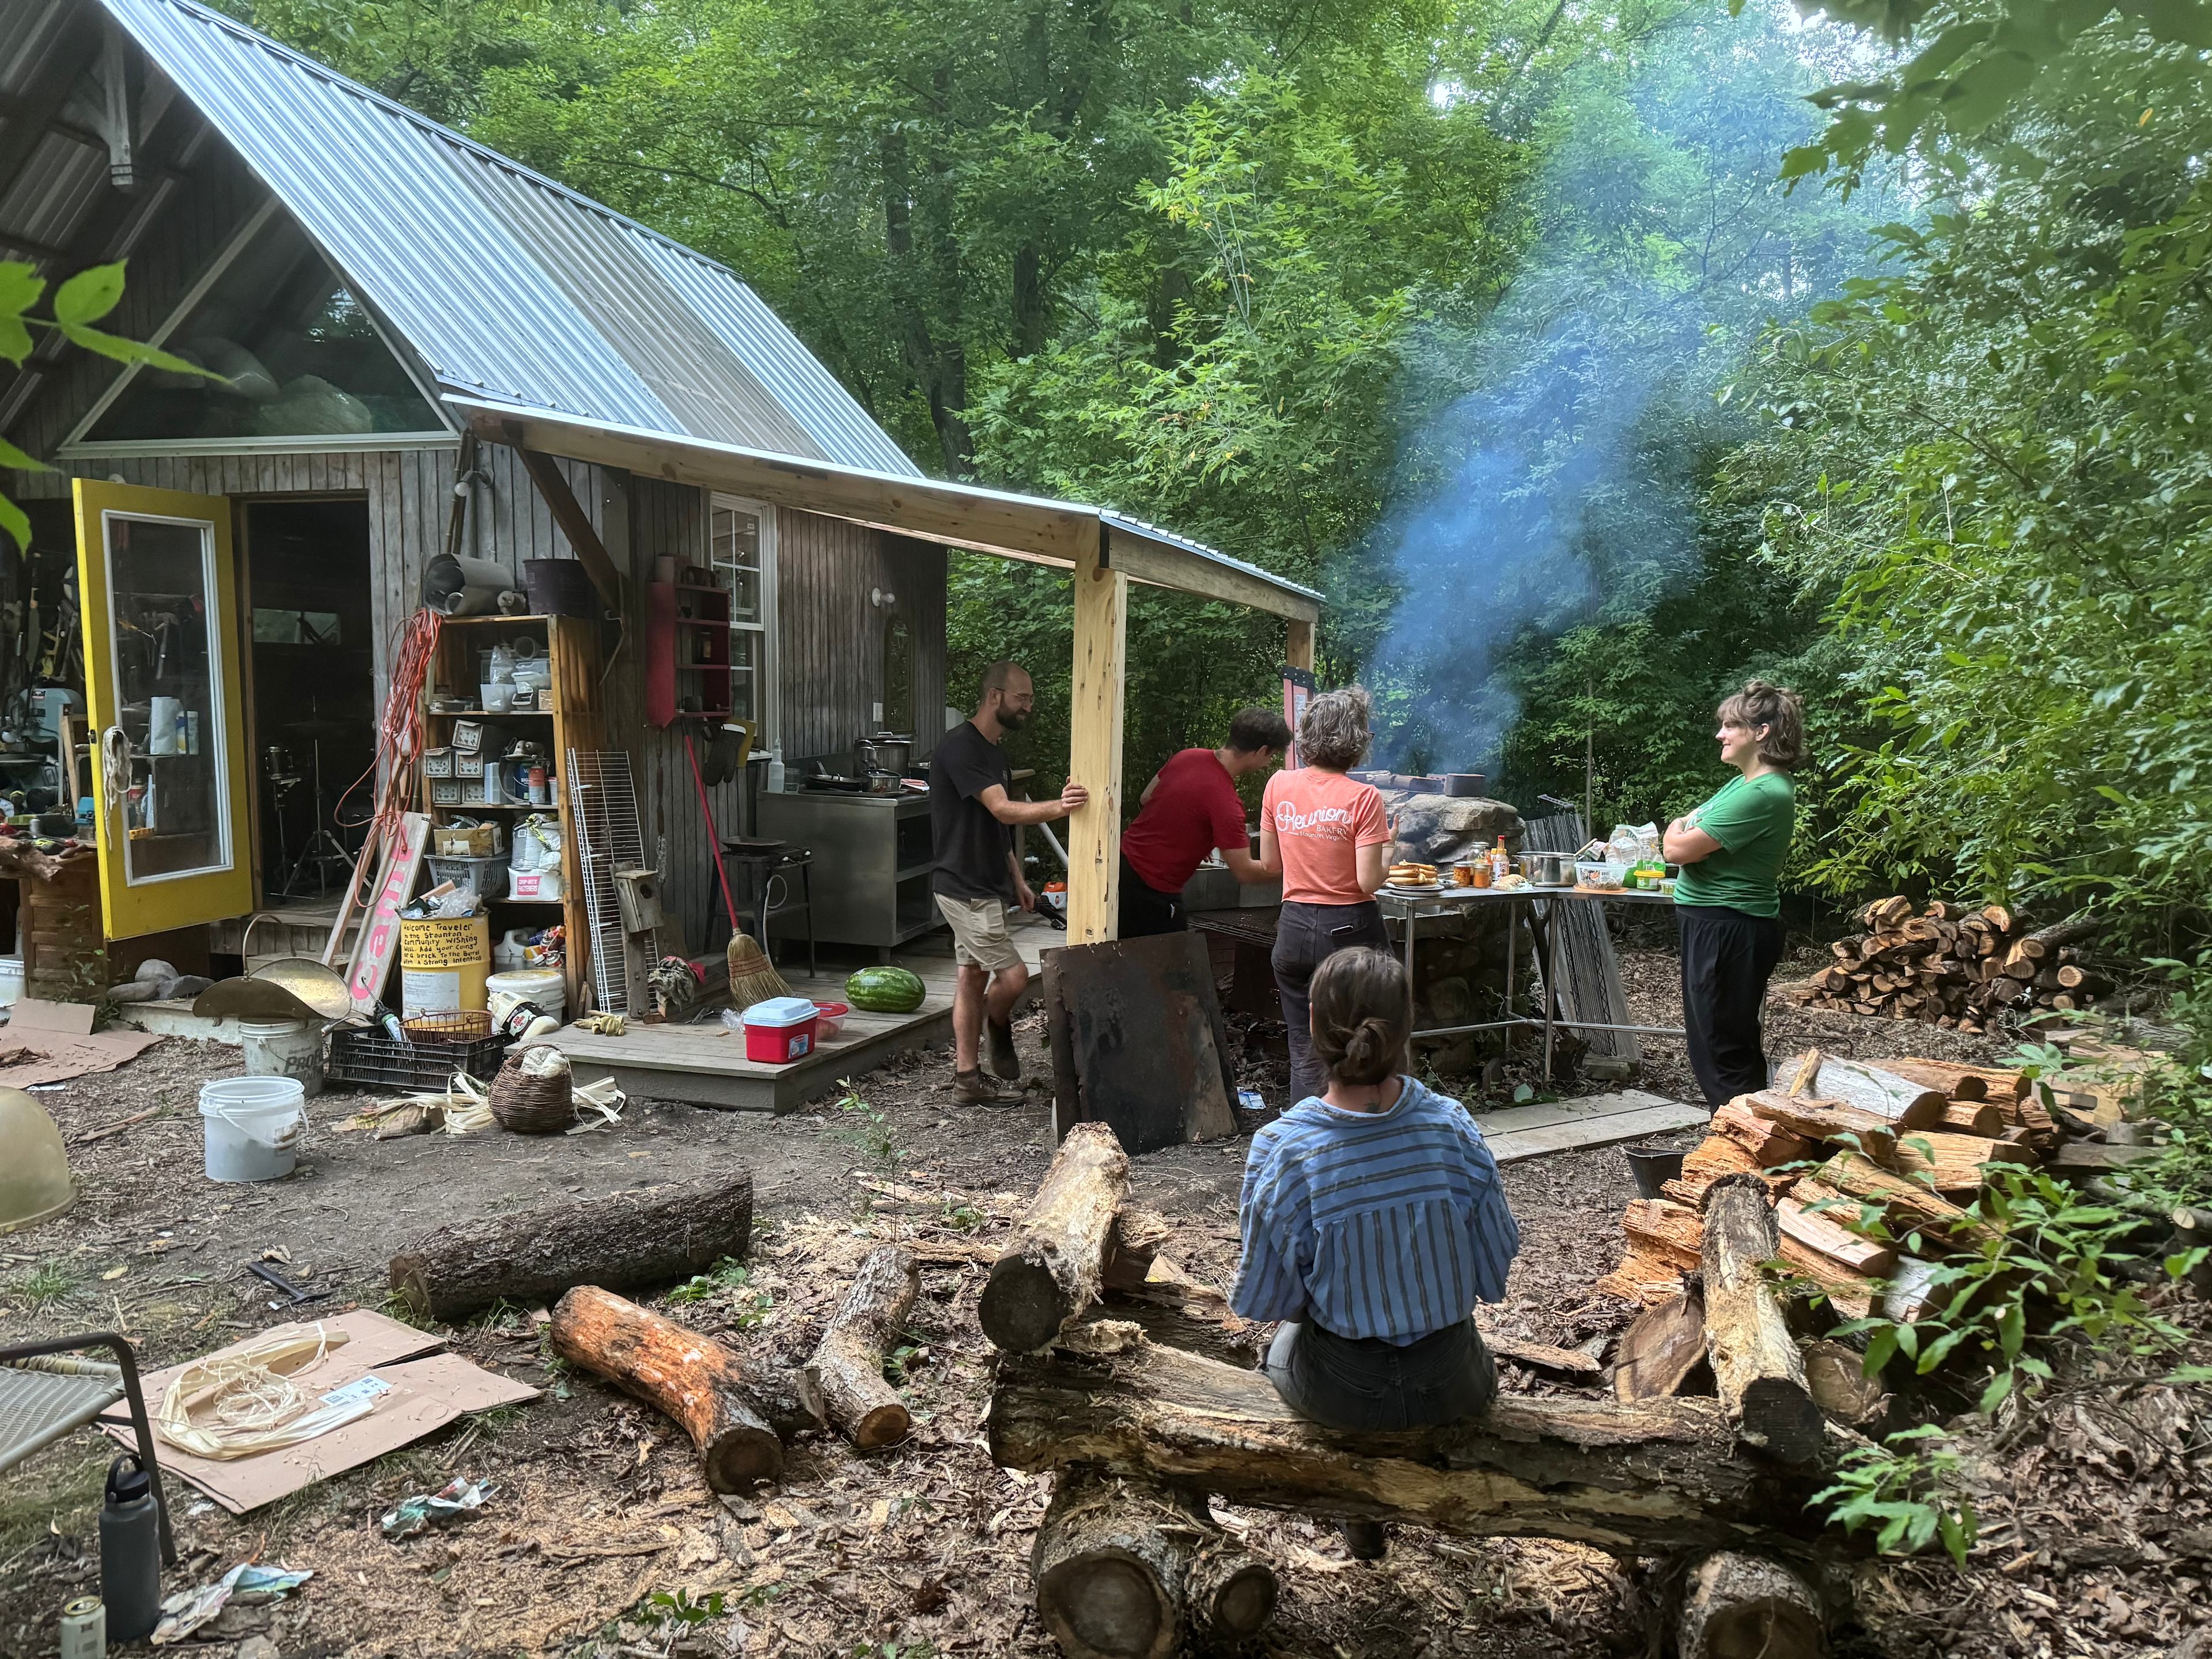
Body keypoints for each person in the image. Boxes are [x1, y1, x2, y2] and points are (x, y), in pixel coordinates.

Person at [1230, 946, 1519, 1557]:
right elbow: (1495, 1268)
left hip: (1344, 1390)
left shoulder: (1283, 1148)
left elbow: (1265, 1300)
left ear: (1311, 1021)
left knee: (1280, 1346)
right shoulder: (1452, 1126)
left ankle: (1357, 1499)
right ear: (1407, 1026)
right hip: (1454, 1381)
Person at [930, 661, 1089, 1106]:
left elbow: (997, 831)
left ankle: (966, 1081)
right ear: (994, 696)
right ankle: (997, 1025)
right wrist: (1062, 807)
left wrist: (1017, 879)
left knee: (970, 976)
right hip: (961, 885)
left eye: (1031, 699)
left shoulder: (995, 753)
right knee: (1015, 975)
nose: (1029, 706)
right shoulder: (961, 748)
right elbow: (1002, 809)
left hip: (987, 884)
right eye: (1022, 698)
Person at [1662, 679, 1805, 1106]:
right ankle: (1741, 1138)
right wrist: (1683, 829)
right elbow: (1688, 826)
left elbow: (1677, 847)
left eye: (1730, 726)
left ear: (1761, 732)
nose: (1720, 735)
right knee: (1715, 1043)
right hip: (1717, 924)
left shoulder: (1764, 792)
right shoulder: (1744, 783)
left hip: (1730, 928)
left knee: (1724, 1049)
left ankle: (1748, 1144)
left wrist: (1677, 832)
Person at [1256, 685, 1394, 1103]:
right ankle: (1365, 1131)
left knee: (1305, 1047)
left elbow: (1270, 865)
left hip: (1294, 932)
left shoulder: (1278, 785)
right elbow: (1368, 881)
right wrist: (1390, 849)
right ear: (1356, 741)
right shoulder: (1364, 797)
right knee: (1367, 1041)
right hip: (1350, 934)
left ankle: (1307, 1142)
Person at [1117, 707, 1293, 937]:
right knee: (1173, 966)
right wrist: (1291, 869)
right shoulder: (1226, 802)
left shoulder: (1187, 756)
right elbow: (1246, 872)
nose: (1269, 763)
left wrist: (1194, 836)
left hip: (1120, 867)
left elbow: (1147, 797)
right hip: (1151, 891)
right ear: (1261, 751)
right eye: (1271, 756)